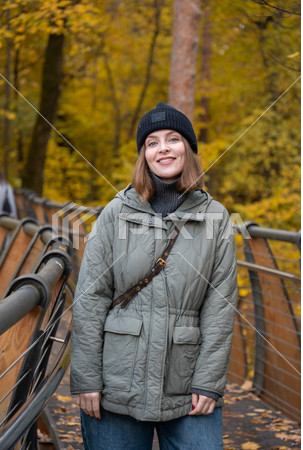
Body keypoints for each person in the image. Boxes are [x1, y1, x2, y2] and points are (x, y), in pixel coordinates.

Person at [71, 102, 238, 449]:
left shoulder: (216, 217)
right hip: (115, 383)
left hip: (186, 385)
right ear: (144, 155)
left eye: (173, 139)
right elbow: (91, 297)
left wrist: (208, 383)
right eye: (152, 142)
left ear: (188, 150)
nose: (163, 148)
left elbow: (220, 307)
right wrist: (86, 378)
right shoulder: (115, 212)